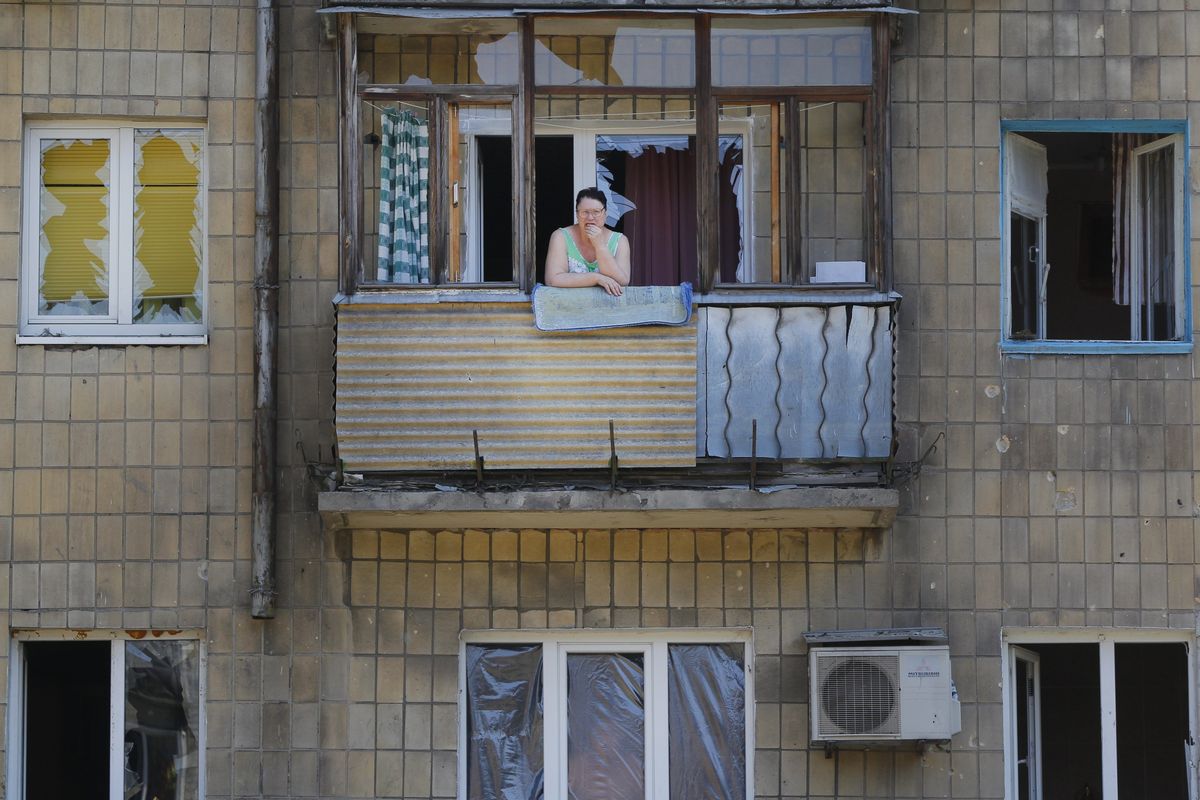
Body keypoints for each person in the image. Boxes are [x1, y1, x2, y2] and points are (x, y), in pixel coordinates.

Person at [544, 187, 631, 296]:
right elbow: (552, 279)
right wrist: (595, 278)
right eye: (584, 212)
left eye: (596, 212)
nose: (590, 217)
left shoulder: (620, 240)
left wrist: (600, 245)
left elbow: (623, 281)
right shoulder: (560, 236)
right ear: (577, 214)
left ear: (605, 213)